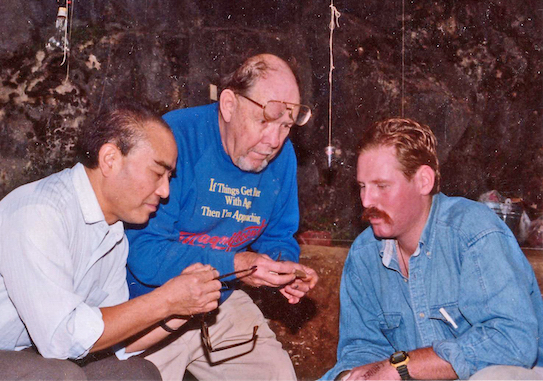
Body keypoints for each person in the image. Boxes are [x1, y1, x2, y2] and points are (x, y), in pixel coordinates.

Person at [0, 101, 224, 381]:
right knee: (59, 377)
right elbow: (63, 340)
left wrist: (179, 311)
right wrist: (165, 300)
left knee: (137, 374)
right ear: (110, 159)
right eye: (157, 173)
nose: (165, 191)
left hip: (17, 360)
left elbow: (112, 341)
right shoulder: (40, 211)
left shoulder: (112, 234)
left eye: (169, 177)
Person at [125, 53, 319, 381]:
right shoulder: (175, 139)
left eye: (286, 126)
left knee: (276, 374)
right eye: (264, 121)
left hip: (219, 300)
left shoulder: (282, 158)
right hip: (151, 302)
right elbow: (143, 252)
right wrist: (236, 266)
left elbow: (277, 236)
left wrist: (284, 268)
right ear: (228, 105)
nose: (274, 141)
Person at [321, 117, 543, 381]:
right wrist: (349, 376)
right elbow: (361, 350)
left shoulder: (473, 233)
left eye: (382, 186)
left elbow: (513, 343)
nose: (367, 200)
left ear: (423, 181)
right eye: (362, 187)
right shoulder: (364, 254)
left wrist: (403, 366)